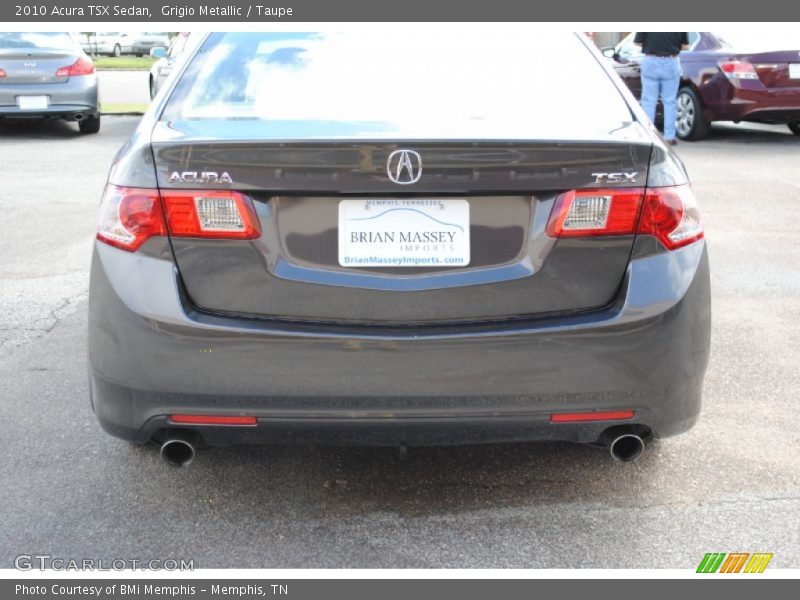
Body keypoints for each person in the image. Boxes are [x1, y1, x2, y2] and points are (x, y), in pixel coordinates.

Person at [634, 32, 690, 145]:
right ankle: (669, 137)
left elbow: (637, 42)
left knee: (648, 101)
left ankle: (648, 135)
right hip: (671, 61)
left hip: (651, 60)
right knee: (670, 101)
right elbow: (685, 46)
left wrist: (652, 44)